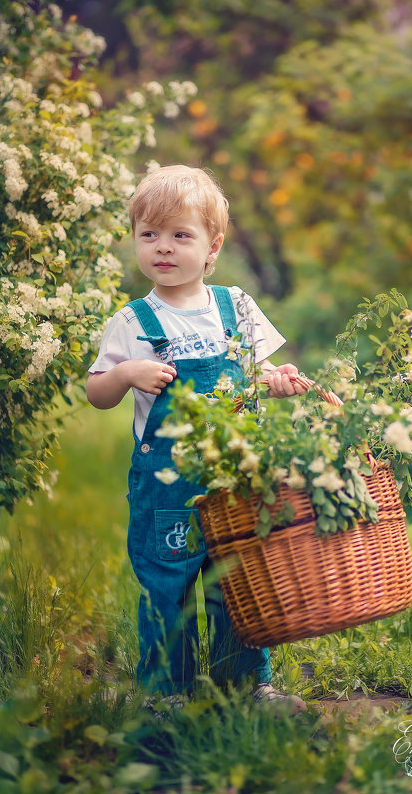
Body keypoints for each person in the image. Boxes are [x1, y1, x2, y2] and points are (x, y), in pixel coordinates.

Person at [86, 164, 305, 711]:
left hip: (236, 477)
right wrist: (126, 375)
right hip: (168, 485)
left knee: (239, 579)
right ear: (135, 240)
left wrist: (277, 382)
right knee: (169, 585)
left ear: (212, 247)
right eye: (149, 234)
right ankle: (168, 692)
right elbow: (97, 392)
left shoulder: (237, 308)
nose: (164, 247)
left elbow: (259, 375)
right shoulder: (133, 321)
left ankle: (246, 683)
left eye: (181, 235)